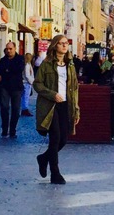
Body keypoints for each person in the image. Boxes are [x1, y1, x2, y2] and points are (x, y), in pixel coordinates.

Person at [32, 34, 80, 185]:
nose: (65, 46)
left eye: (66, 43)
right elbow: (37, 84)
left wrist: (76, 109)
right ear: (55, 46)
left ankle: (43, 158)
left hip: (65, 105)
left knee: (63, 140)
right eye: (61, 43)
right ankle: (55, 173)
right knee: (55, 138)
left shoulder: (70, 65)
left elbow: (75, 88)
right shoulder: (46, 64)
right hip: (50, 105)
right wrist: (52, 95)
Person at [0, 41, 25, 137]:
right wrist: (2, 73)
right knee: (4, 108)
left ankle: (12, 130)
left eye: (10, 49)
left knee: (16, 110)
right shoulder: (3, 60)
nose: (8, 51)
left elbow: (18, 69)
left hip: (16, 88)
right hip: (5, 87)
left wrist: (6, 71)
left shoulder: (20, 59)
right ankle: (4, 129)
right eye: (7, 49)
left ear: (15, 48)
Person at [21, 52, 36, 116]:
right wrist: (31, 82)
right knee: (25, 97)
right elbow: (27, 75)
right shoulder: (27, 65)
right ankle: (25, 109)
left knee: (25, 96)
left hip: (26, 82)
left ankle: (24, 109)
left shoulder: (27, 64)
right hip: (26, 83)